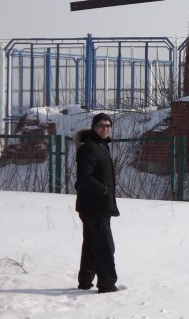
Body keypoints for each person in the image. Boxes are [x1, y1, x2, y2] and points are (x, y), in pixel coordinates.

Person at [74, 112, 120, 293]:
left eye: (108, 126)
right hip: (95, 206)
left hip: (95, 205)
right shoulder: (90, 147)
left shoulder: (100, 146)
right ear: (94, 127)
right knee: (105, 245)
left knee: (92, 243)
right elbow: (84, 177)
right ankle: (107, 284)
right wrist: (103, 190)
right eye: (101, 126)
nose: (105, 129)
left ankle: (85, 280)